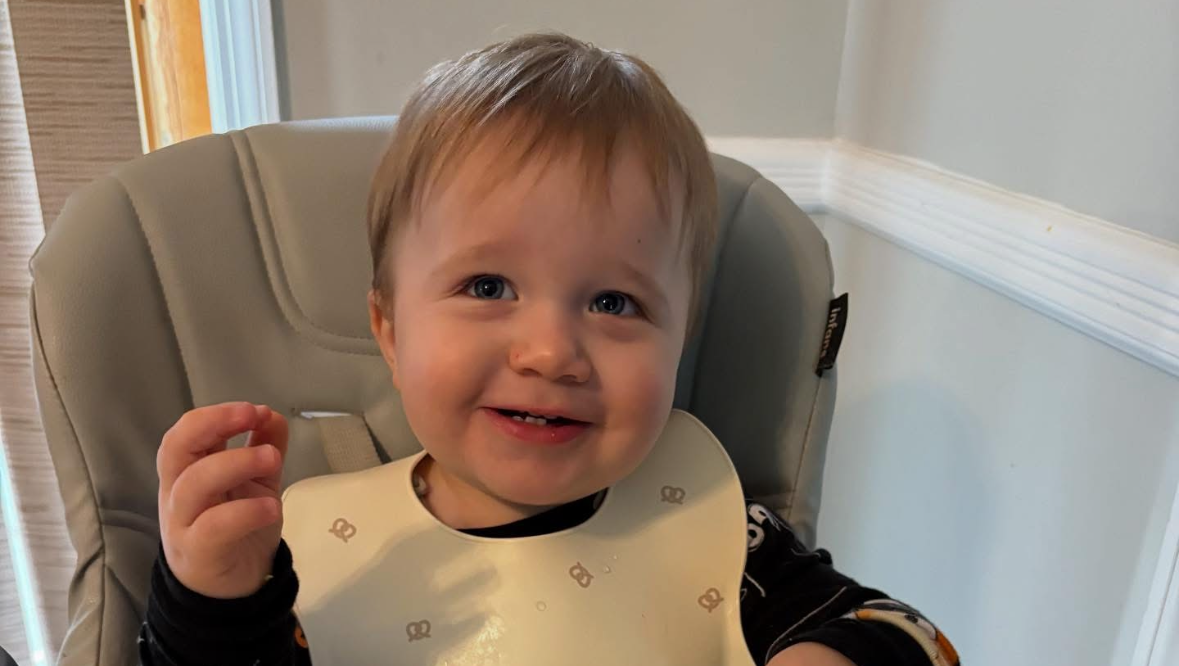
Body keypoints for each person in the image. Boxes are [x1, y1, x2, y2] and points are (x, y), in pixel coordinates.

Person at [139, 32, 959, 666]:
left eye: (614, 303)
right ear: (389, 330)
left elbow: (902, 631)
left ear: (680, 340)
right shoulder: (307, 553)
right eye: (487, 286)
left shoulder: (714, 526)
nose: (549, 353)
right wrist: (213, 602)